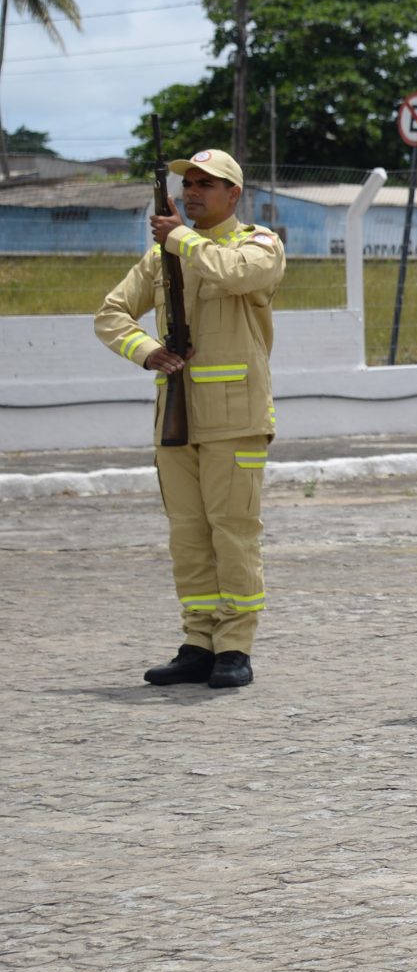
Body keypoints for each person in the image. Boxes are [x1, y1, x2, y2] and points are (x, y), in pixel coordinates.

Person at [94, 148, 286, 689]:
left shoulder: (258, 244)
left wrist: (179, 238)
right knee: (188, 534)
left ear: (235, 195)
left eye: (207, 183)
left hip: (237, 418)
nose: (193, 191)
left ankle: (235, 646)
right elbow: (111, 313)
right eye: (189, 183)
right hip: (177, 417)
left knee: (234, 531)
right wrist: (146, 350)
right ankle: (198, 641)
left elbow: (232, 274)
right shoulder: (161, 258)